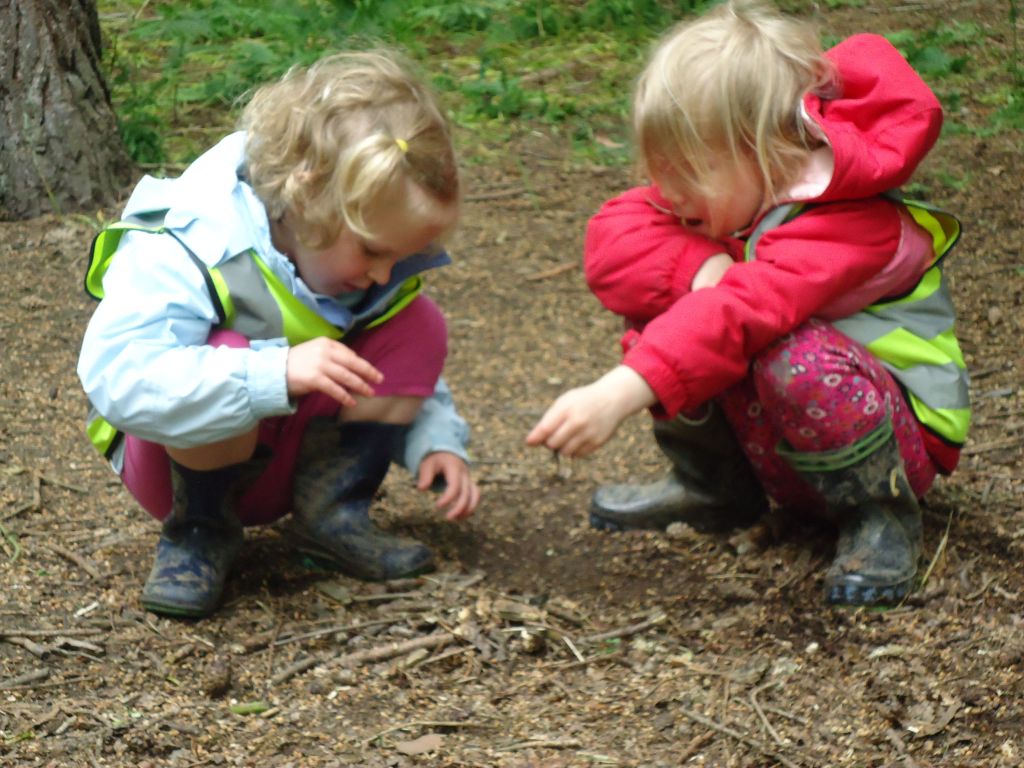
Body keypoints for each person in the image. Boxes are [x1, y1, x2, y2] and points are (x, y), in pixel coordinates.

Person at [527, 0, 969, 607]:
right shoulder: (738, 190)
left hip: (896, 439)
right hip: (785, 443)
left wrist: (619, 391)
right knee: (675, 297)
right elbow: (615, 233)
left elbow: (743, 311)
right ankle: (717, 491)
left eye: (687, 170)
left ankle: (880, 518)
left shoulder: (849, 222)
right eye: (660, 172)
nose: (670, 191)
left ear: (770, 151)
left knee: (785, 348)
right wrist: (699, 267)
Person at [78, 50, 480, 619]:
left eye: (403, 256)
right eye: (372, 251)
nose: (385, 274)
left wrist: (433, 437)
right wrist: (273, 372)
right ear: (307, 193)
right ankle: (198, 537)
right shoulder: (197, 238)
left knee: (418, 323)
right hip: (179, 469)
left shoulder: (354, 258)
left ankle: (333, 515)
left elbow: (391, 346)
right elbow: (121, 377)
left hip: (288, 461)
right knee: (227, 349)